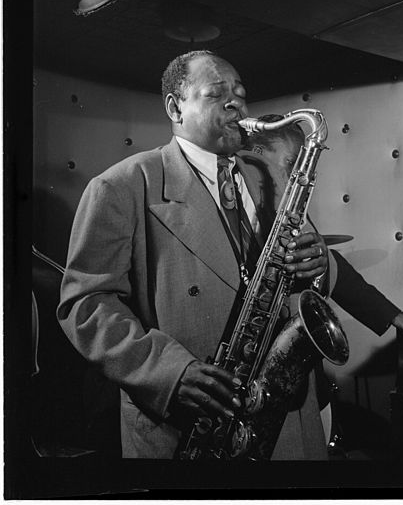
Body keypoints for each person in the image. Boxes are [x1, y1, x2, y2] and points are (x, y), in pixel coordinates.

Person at [57, 50, 335, 460]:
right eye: (217, 94)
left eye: (240, 94)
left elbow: (299, 276)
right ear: (175, 107)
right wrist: (170, 373)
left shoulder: (267, 178)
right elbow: (86, 305)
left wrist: (317, 265)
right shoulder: (121, 185)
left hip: (288, 422)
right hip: (188, 429)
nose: (236, 104)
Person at [243, 114, 403, 349]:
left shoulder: (283, 203)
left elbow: (331, 265)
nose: (297, 174)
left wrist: (392, 315)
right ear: (257, 153)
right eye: (292, 163)